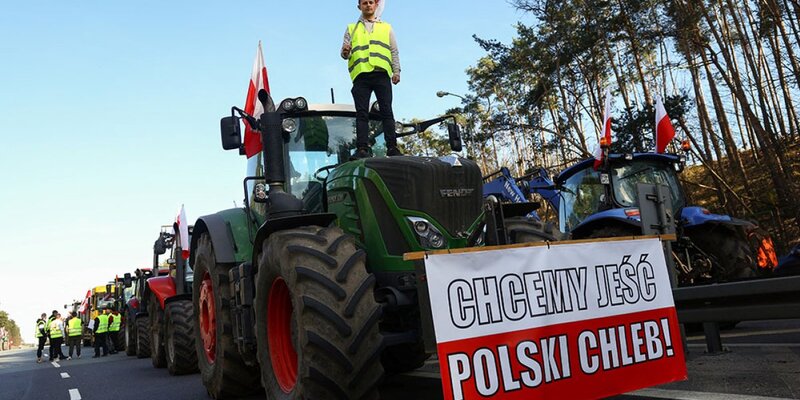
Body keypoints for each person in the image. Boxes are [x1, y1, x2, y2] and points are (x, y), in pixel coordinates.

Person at [340, 0, 402, 159]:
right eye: (364, 3)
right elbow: (344, 53)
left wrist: (397, 71)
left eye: (371, 2)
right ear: (359, 6)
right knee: (362, 114)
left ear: (376, 5)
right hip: (361, 76)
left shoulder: (386, 28)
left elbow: (394, 51)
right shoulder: (351, 29)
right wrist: (345, 52)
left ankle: (392, 147)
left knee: (386, 111)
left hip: (381, 74)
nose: (368, 5)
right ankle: (362, 149)